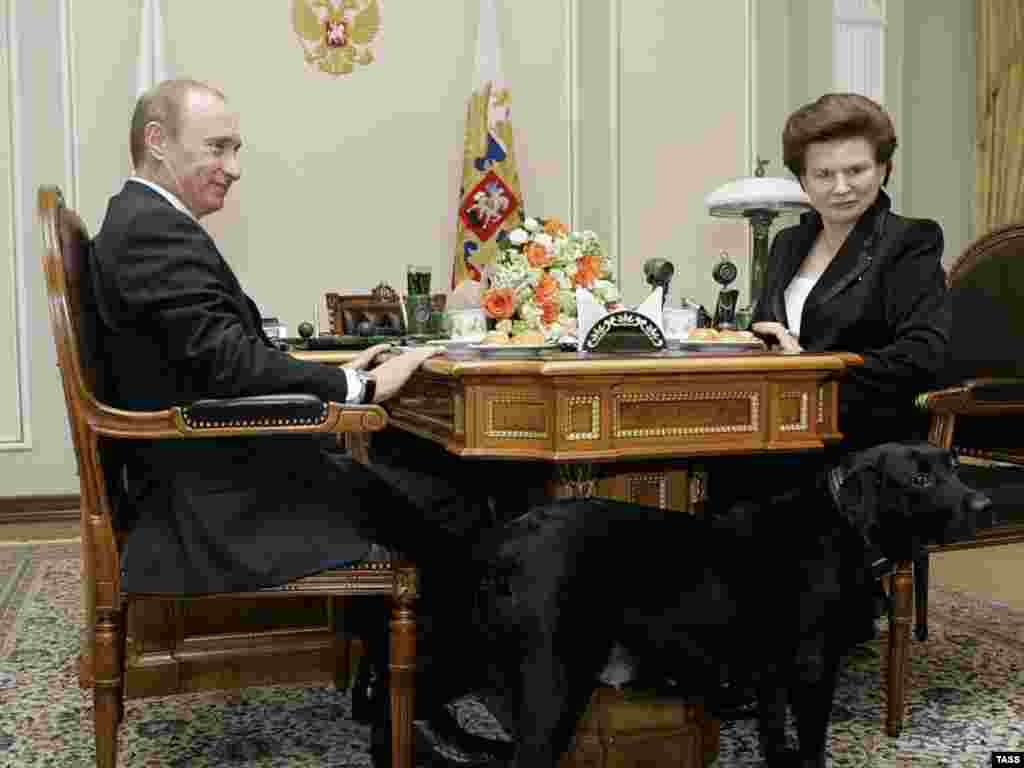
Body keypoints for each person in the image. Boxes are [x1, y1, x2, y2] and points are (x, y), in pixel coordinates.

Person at [90, 78, 513, 766]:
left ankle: (404, 702)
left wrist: (339, 367)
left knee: (414, 476)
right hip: (212, 500)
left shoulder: (145, 222)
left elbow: (216, 353)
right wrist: (359, 384)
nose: (233, 166)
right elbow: (227, 363)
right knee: (451, 495)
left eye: (237, 148)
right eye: (218, 147)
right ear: (157, 142)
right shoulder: (149, 232)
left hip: (212, 468)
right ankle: (415, 711)